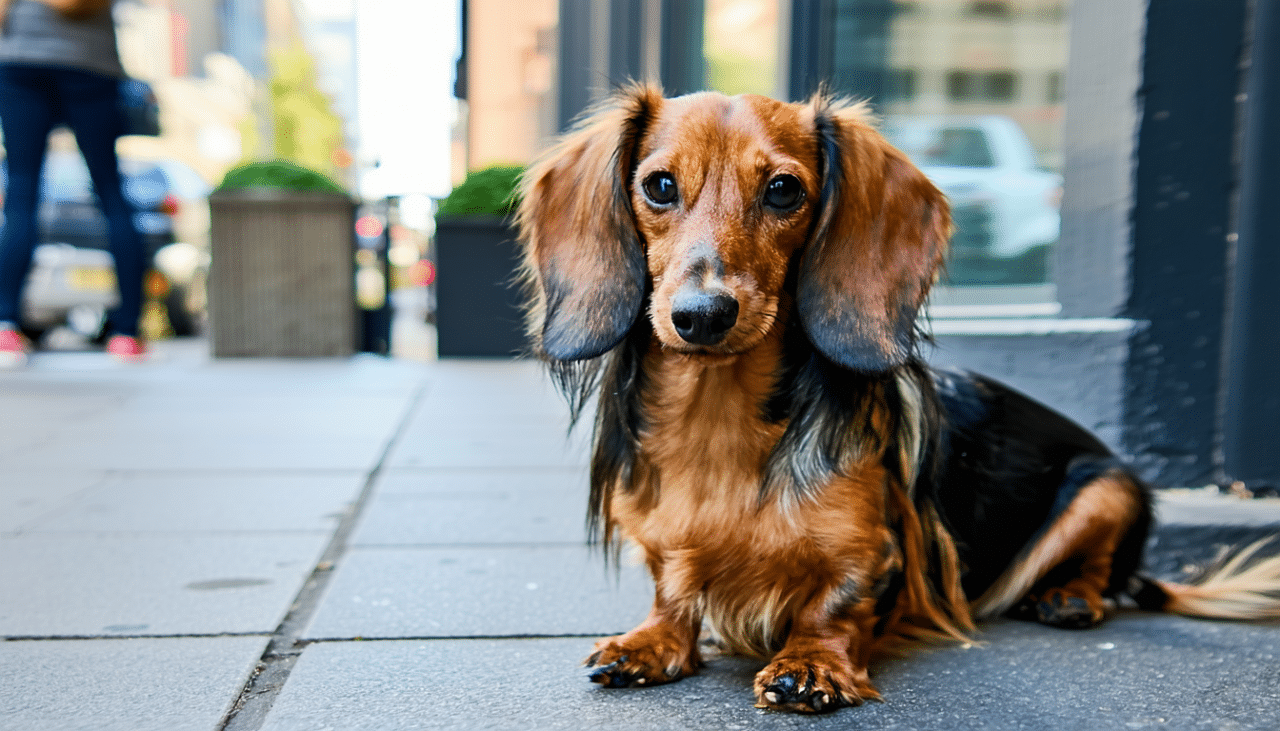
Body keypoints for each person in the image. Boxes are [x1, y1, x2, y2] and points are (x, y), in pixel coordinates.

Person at [0, 0, 148, 365]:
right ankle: (127, 334)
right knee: (112, 193)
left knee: (21, 192)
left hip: (23, 59)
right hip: (90, 62)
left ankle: (5, 327)